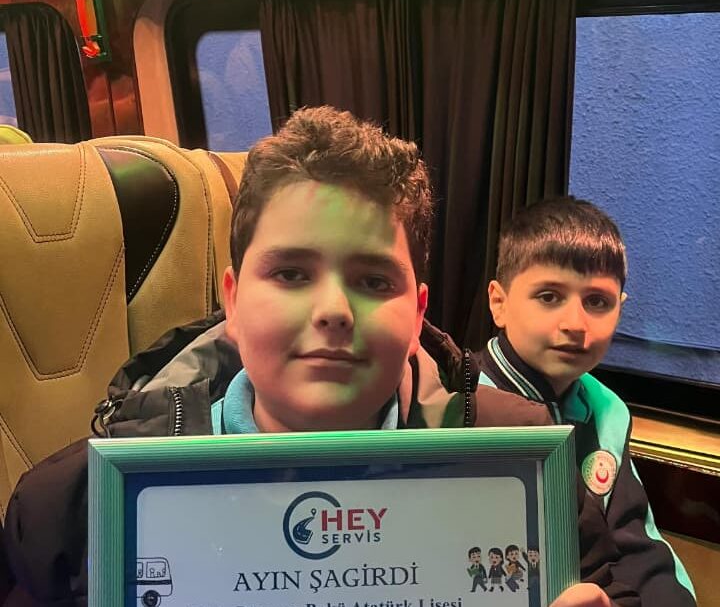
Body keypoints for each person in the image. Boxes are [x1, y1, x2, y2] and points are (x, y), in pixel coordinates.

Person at [4, 108, 613, 606]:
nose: (334, 310)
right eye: (292, 273)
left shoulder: (532, 470)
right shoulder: (75, 508)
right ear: (233, 303)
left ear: (417, 315)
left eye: (374, 281)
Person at [477, 197, 697, 607]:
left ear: (620, 308)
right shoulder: (457, 404)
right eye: (549, 296)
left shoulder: (607, 408)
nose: (575, 324)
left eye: (597, 302)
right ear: (499, 303)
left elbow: (637, 545)